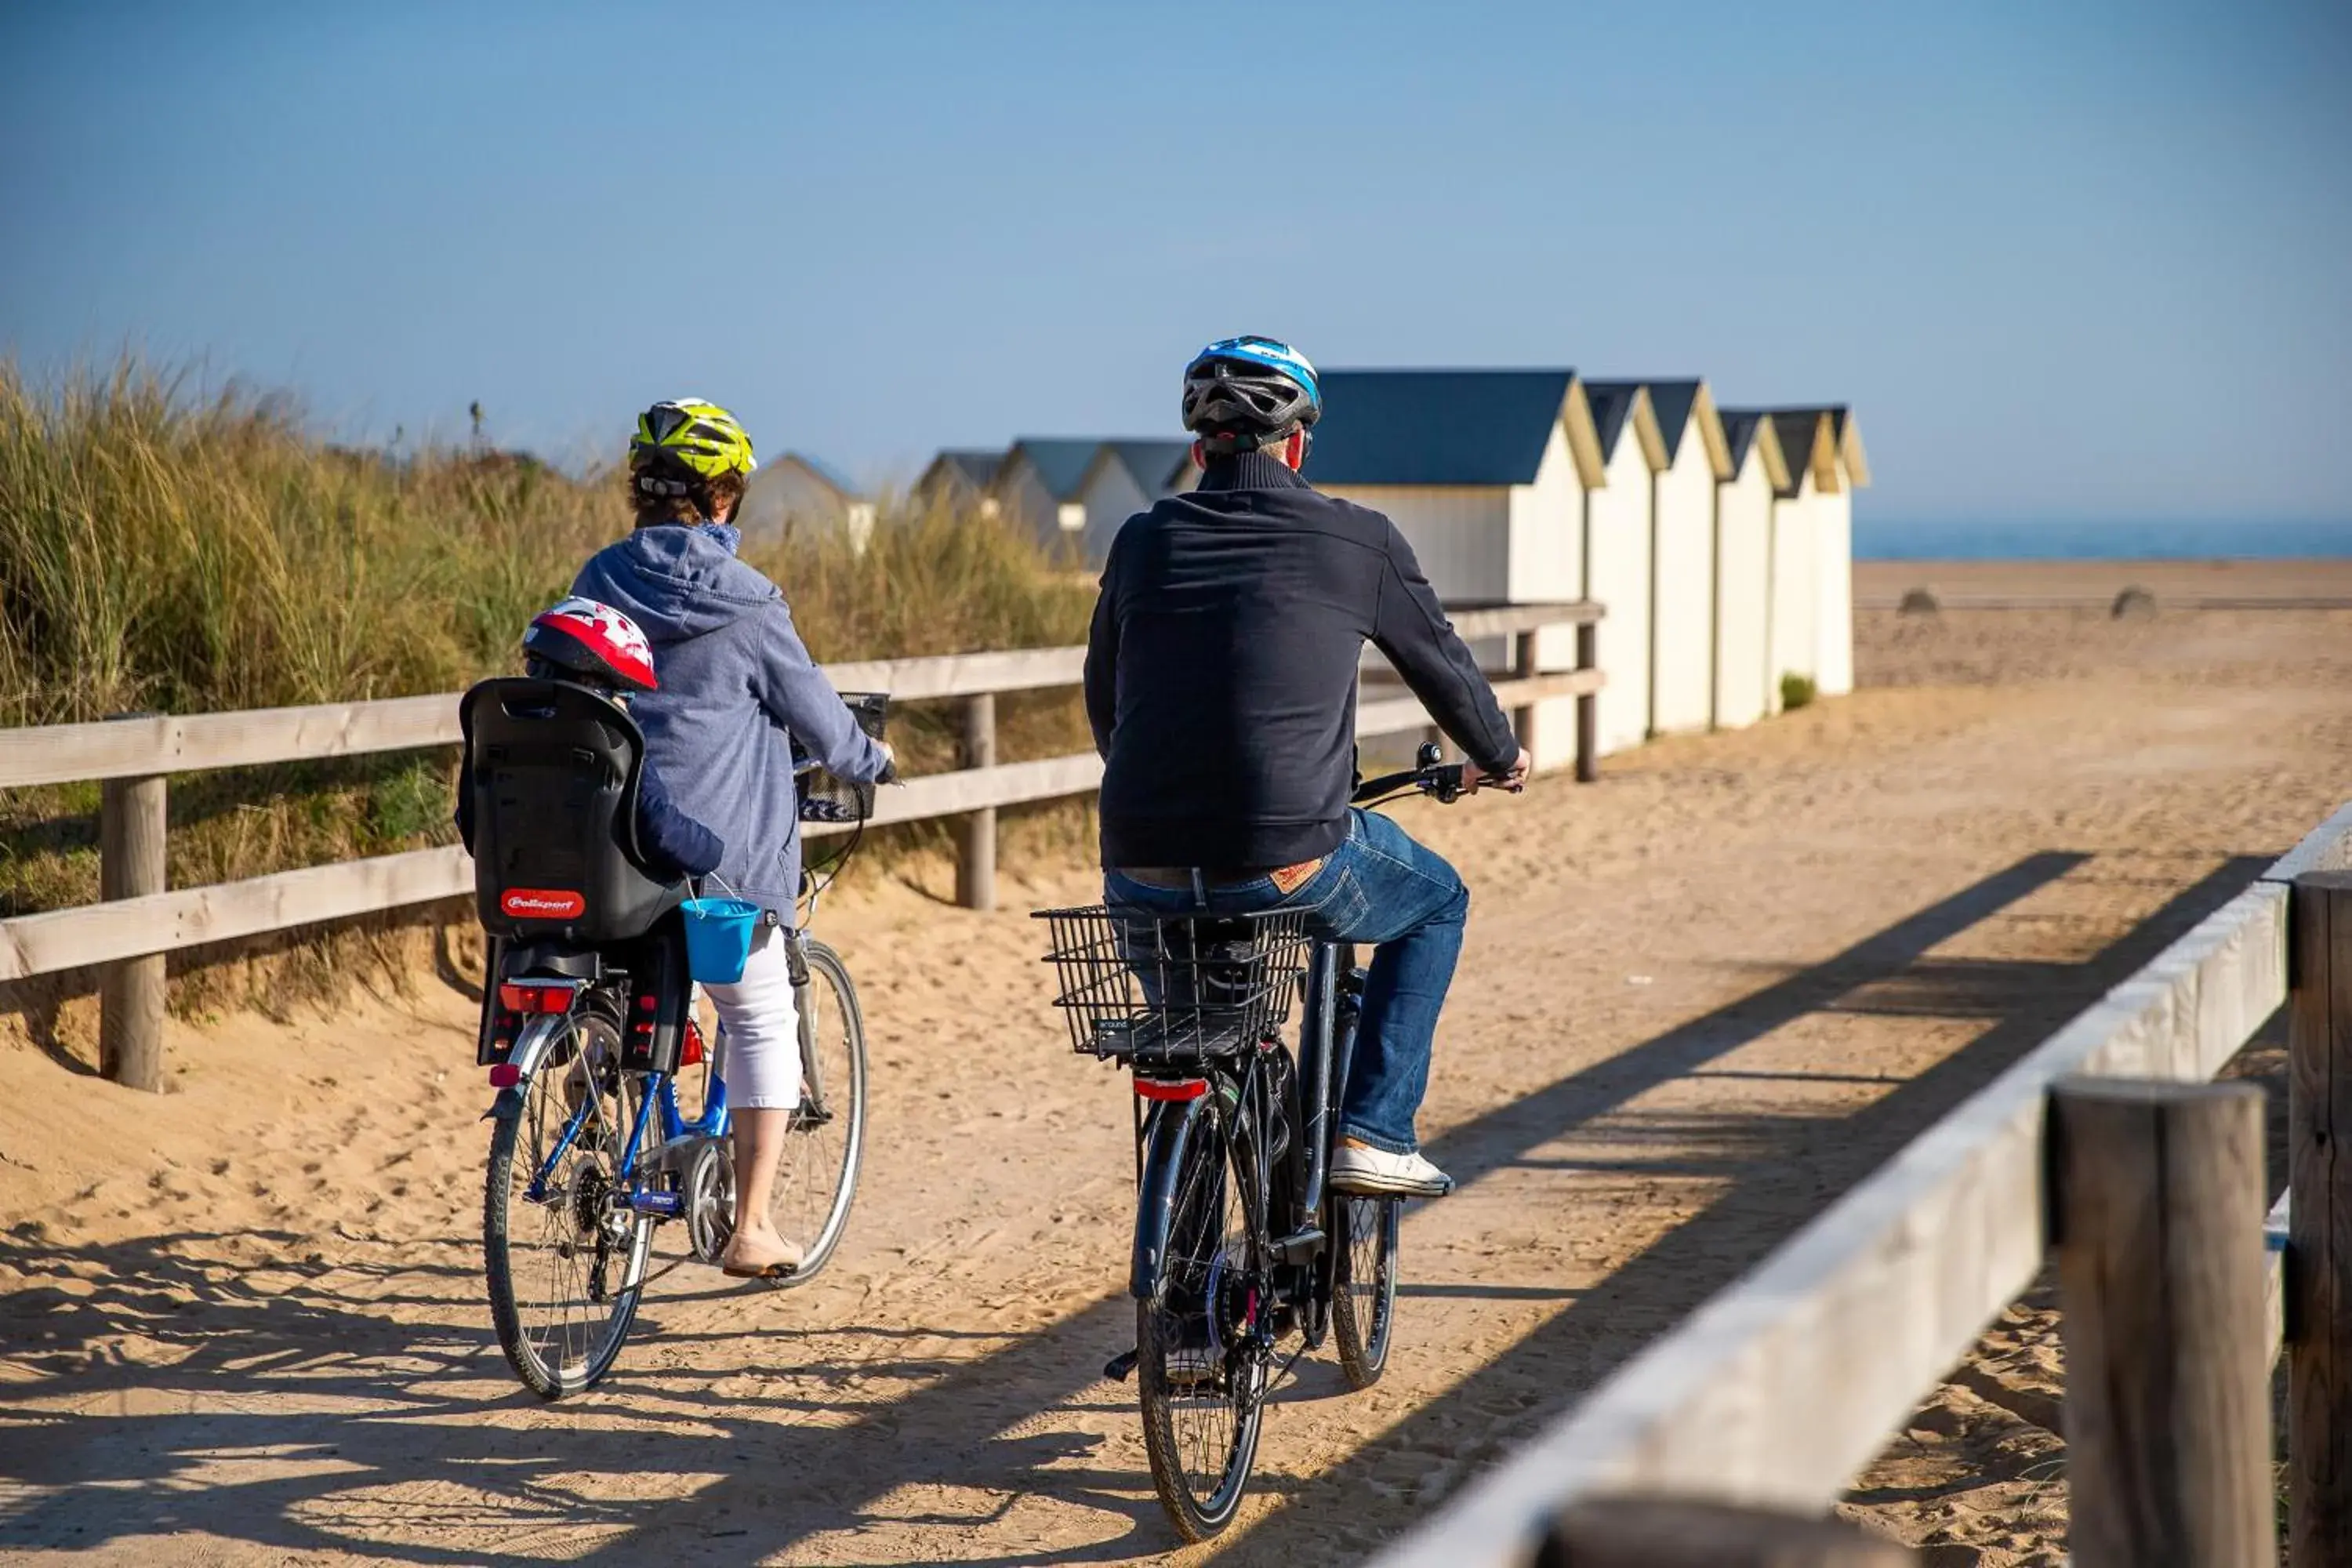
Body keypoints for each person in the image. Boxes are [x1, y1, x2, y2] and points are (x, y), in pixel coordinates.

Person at [1084, 336, 1530, 1198]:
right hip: (1292, 851)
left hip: (1138, 857)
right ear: (1298, 444)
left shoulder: (1142, 541)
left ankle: (1192, 1291)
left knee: (1204, 1033)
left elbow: (1107, 702)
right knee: (1437, 903)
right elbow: (1446, 670)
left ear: (1198, 448)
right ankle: (1374, 1132)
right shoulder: (1358, 539)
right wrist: (1500, 756)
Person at [572, 398, 893, 1279]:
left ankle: (601, 1063)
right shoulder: (749, 604)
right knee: (759, 1017)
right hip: (714, 869)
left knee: (625, 975)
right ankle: (750, 1224)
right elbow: (824, 726)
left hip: (606, 857)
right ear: (721, 500)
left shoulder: (596, 578)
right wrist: (873, 757)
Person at [456, 597, 727, 884]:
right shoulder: (611, 741)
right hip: (609, 915)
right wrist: (711, 852)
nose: (629, 708)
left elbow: (470, 824)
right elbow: (659, 826)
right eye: (628, 697)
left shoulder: (499, 732)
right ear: (594, 685)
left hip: (515, 905)